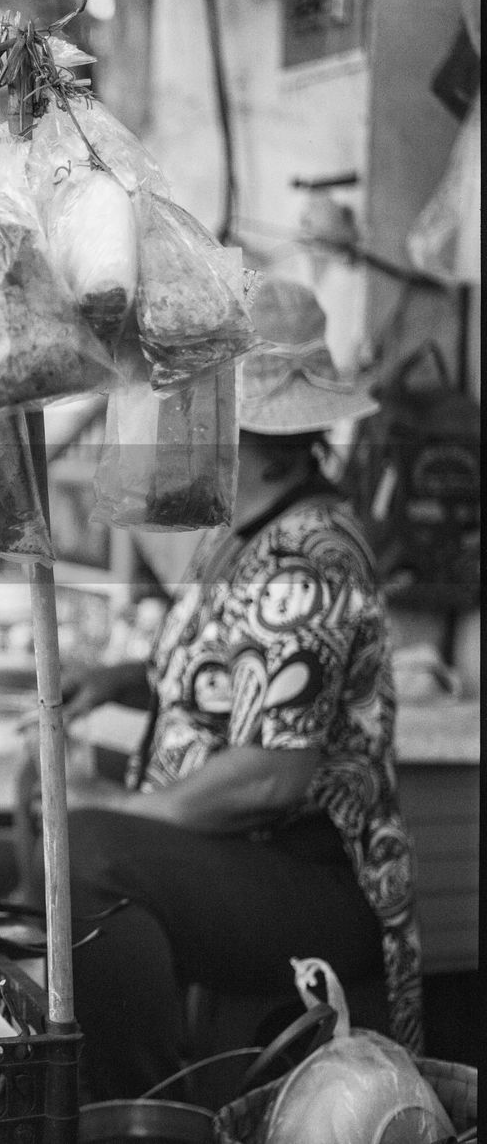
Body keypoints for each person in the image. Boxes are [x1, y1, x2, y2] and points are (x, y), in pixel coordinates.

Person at [23, 278, 423, 1099]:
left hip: (310, 878)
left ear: (266, 436)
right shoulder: (245, 531)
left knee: (85, 858)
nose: (185, 427)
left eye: (206, 410)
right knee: (27, 846)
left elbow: (272, 770)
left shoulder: (309, 557)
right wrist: (123, 679)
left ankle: (137, 1105)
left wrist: (121, 816)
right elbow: (234, 673)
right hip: (243, 857)